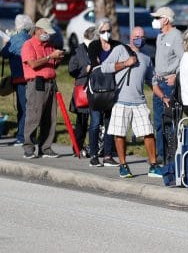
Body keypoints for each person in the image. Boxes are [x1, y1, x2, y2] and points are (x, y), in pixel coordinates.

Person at [101, 26, 162, 179]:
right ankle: (123, 165)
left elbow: (151, 80)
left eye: (142, 36)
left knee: (148, 133)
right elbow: (104, 67)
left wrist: (163, 96)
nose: (139, 39)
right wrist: (125, 63)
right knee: (120, 134)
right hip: (120, 101)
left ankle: (153, 165)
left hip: (139, 102)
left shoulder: (147, 57)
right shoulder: (120, 50)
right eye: (136, 36)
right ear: (130, 37)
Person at [20, 18, 65, 159]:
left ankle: (45, 147)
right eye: (46, 32)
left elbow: (52, 64)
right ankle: (28, 147)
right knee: (34, 115)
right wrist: (50, 56)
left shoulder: (49, 45)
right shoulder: (28, 45)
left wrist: (57, 59)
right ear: (38, 30)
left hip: (50, 82)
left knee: (50, 117)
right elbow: (33, 64)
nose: (48, 35)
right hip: (36, 83)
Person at [150, 6, 184, 163]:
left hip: (169, 85)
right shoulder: (160, 37)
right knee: (158, 122)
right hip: (158, 83)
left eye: (158, 18)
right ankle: (161, 156)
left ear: (166, 19)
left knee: (170, 122)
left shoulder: (176, 36)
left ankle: (172, 157)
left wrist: (176, 77)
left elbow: (183, 59)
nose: (155, 21)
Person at [86, 18, 121, 167]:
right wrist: (112, 65)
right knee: (95, 122)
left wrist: (107, 64)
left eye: (108, 30)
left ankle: (107, 155)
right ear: (98, 33)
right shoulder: (94, 45)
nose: (106, 33)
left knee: (110, 123)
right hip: (96, 89)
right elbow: (95, 63)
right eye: (103, 31)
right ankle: (93, 154)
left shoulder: (116, 45)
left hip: (111, 89)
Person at [1, 14, 34, 146]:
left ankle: (22, 137)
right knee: (30, 107)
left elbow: (4, 53)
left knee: (23, 108)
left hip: (20, 78)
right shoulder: (30, 39)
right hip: (30, 77)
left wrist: (6, 43)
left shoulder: (15, 39)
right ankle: (30, 135)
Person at [68, 26, 95, 157]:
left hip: (97, 91)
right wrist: (86, 69)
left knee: (97, 122)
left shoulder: (100, 49)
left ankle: (95, 148)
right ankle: (77, 148)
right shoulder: (78, 50)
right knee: (82, 122)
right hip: (83, 90)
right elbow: (71, 70)